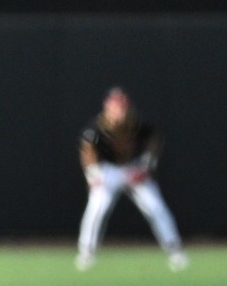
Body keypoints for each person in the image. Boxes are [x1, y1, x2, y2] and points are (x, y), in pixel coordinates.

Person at [77, 86, 187, 272]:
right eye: (115, 106)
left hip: (132, 168)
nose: (119, 111)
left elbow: (155, 140)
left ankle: (174, 250)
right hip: (108, 171)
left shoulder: (138, 123)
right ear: (107, 107)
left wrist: (145, 165)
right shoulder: (96, 127)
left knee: (155, 207)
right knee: (97, 207)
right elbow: (87, 151)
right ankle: (86, 253)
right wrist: (93, 174)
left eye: (122, 107)